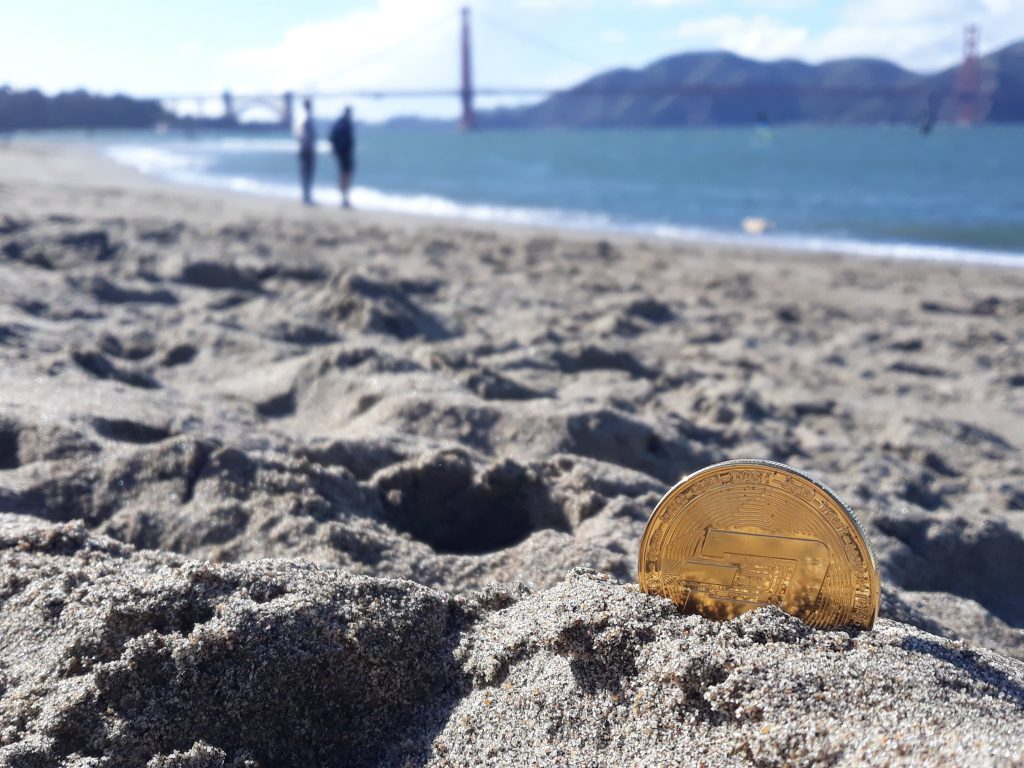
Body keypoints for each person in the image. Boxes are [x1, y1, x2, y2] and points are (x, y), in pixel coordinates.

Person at [330, 106, 355, 208]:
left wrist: (335, 151)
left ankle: (344, 198)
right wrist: (337, 151)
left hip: (345, 154)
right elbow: (332, 138)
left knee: (345, 176)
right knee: (345, 176)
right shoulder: (343, 124)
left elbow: (332, 138)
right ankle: (344, 199)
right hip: (344, 154)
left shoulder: (343, 123)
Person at [297, 98, 316, 205]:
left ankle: (306, 195)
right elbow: (302, 134)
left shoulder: (303, 117)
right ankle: (306, 196)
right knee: (307, 172)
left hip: (305, 149)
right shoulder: (305, 117)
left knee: (306, 172)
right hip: (306, 149)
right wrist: (307, 145)